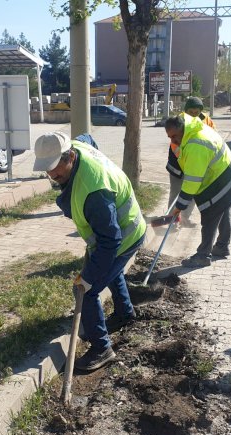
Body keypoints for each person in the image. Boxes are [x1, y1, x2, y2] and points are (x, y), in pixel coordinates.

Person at [33, 132, 146, 370]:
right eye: (47, 169)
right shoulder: (76, 144)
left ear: (70, 156)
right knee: (111, 273)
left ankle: (101, 348)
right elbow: (89, 138)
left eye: (55, 169)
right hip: (120, 229)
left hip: (124, 237)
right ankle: (125, 313)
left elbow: (110, 243)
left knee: (86, 290)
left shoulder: (94, 192)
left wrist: (86, 279)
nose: (52, 175)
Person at [164, 113, 231, 267]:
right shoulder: (196, 129)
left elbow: (192, 183)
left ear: (183, 129)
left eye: (175, 136)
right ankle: (222, 247)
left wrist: (179, 208)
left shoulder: (195, 145)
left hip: (222, 180)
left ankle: (203, 255)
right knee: (223, 208)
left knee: (210, 214)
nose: (173, 141)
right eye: (169, 137)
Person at [165, 96, 231, 256]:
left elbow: (193, 179)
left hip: (205, 169)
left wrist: (180, 205)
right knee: (178, 194)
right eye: (191, 112)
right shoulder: (180, 123)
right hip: (184, 165)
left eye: (197, 112)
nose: (194, 115)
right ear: (185, 110)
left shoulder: (203, 125)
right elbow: (177, 149)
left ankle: (205, 253)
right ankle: (173, 221)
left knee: (211, 210)